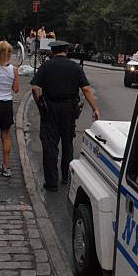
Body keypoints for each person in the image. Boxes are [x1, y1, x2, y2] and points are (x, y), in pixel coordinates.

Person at [31, 40, 100, 192]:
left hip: (50, 109)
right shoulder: (75, 67)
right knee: (67, 143)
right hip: (69, 109)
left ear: (52, 52)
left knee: (50, 145)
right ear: (66, 51)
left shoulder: (46, 66)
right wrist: (95, 108)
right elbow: (86, 89)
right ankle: (67, 177)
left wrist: (41, 105)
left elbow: (35, 87)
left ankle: (51, 183)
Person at [0, 41, 19, 177]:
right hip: (6, 105)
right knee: (5, 136)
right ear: (10, 53)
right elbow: (16, 90)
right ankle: (6, 167)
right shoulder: (14, 70)